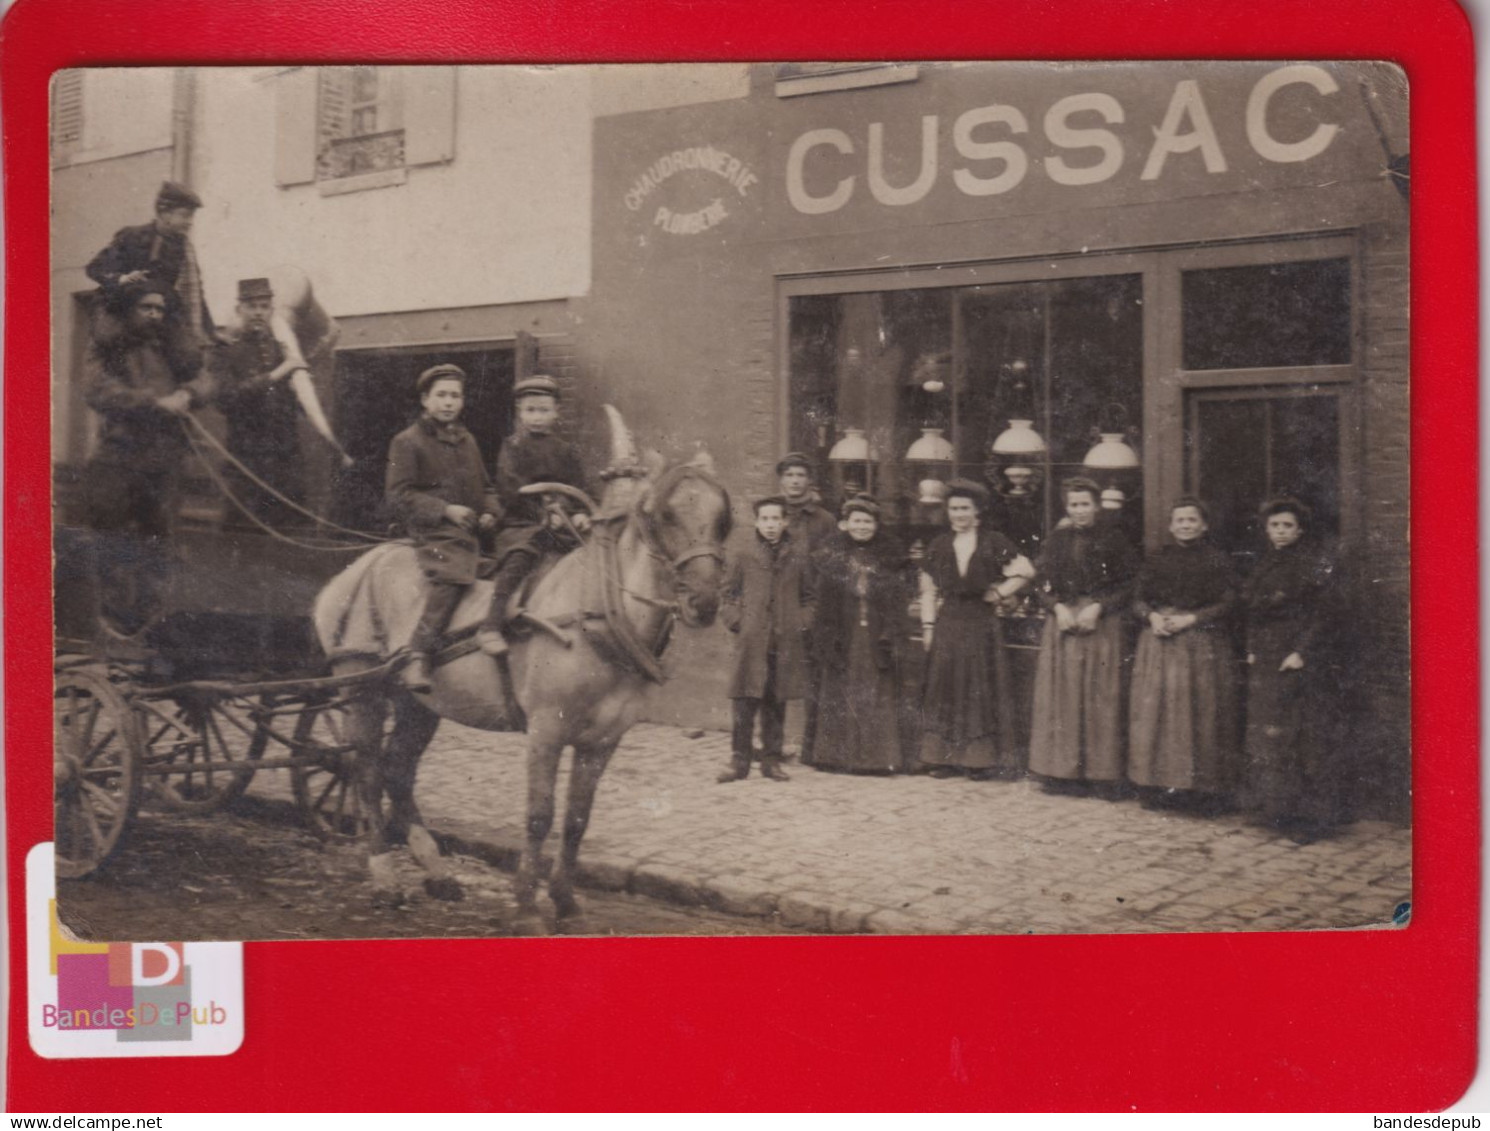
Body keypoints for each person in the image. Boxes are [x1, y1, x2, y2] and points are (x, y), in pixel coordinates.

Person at [82, 282, 214, 638]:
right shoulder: (108, 347)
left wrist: (188, 392)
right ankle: (113, 625)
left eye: (159, 308)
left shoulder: (171, 347)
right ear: (129, 311)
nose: (155, 314)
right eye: (146, 307)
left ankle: (150, 625)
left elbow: (204, 378)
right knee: (114, 541)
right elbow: (96, 389)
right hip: (119, 458)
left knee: (160, 542)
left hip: (164, 460)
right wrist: (154, 403)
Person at [385, 364, 502, 693]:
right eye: (441, 395)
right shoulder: (407, 442)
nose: (448, 402)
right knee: (452, 575)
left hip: (471, 533)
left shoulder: (468, 441)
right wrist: (445, 510)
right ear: (425, 400)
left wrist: (490, 512)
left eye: (455, 395)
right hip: (433, 533)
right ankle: (418, 653)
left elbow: (487, 487)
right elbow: (397, 495)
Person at [1240, 498, 1346, 843]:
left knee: (1304, 736)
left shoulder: (1314, 563)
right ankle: (1275, 810)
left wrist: (1302, 652)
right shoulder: (1265, 563)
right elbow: (1254, 611)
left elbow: (1325, 614)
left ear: (1300, 530)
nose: (1281, 532)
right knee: (1271, 735)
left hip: (1298, 656)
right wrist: (1253, 648)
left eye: (1287, 526)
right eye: (1275, 526)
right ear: (1266, 529)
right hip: (1269, 655)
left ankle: (1310, 819)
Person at [1027, 477, 1140, 796]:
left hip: (1101, 626)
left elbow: (1131, 584)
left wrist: (1099, 607)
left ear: (1096, 506)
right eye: (1073, 505)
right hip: (1064, 624)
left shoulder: (1115, 540)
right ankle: (1063, 773)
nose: (1079, 511)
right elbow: (1041, 583)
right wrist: (1057, 607)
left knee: (1101, 698)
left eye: (1085, 504)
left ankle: (1101, 775)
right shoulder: (1056, 541)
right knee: (1063, 698)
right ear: (1067, 507)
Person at [916, 479, 1034, 780]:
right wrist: (928, 626)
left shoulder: (993, 541)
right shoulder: (940, 545)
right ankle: (942, 759)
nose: (958, 514)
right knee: (945, 687)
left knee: (978, 687)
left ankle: (978, 760)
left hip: (980, 621)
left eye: (964, 508)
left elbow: (1025, 571)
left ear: (977, 511)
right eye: (953, 508)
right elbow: (928, 588)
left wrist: (999, 593)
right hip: (949, 620)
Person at [1127, 497, 1239, 808]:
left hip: (1200, 643)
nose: (1185, 526)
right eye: (1180, 520)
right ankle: (1159, 785)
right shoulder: (1156, 558)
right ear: (1170, 525)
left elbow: (1228, 601)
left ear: (1203, 525)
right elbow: (1137, 598)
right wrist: (1152, 617)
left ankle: (1200, 789)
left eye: (1192, 520)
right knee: (1158, 714)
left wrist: (1192, 619)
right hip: (1159, 643)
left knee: (1199, 712)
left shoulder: (1217, 559)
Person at [478, 375, 593, 655]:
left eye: (543, 410)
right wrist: (543, 513)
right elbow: (510, 488)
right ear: (520, 412)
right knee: (522, 554)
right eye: (530, 410)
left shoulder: (565, 451)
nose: (537, 417)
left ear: (556, 412)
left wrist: (579, 512)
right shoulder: (513, 446)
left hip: (560, 522)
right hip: (522, 520)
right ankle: (491, 623)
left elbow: (580, 487)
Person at [805, 496, 909, 775]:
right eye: (856, 521)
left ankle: (876, 759)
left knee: (876, 691)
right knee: (840, 690)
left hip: (875, 634)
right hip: (844, 633)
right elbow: (823, 601)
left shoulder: (889, 557)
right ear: (846, 523)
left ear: (876, 525)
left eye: (868, 521)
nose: (862, 526)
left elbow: (898, 601)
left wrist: (891, 633)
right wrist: (827, 636)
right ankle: (836, 756)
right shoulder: (832, 555)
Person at [718, 497, 815, 783]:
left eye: (776, 519)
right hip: (751, 642)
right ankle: (739, 760)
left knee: (776, 702)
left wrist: (801, 622)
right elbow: (728, 595)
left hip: (783, 642)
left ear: (785, 521)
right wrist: (739, 623)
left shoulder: (797, 555)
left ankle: (771, 761)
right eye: (765, 519)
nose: (771, 525)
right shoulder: (744, 554)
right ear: (757, 522)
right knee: (744, 703)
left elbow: (810, 598)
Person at [211, 277, 308, 528]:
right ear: (239, 309)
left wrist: (296, 387)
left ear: (271, 311)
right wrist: (277, 374)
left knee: (288, 528)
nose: (258, 312)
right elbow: (225, 398)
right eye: (252, 306)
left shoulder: (282, 349)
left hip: (284, 461)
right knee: (244, 531)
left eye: (264, 306)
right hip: (246, 462)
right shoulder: (225, 351)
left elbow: (297, 407)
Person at [86, 181, 215, 351]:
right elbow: (95, 268)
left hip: (158, 322)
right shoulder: (132, 236)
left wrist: (210, 331)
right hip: (122, 319)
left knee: (188, 361)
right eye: (185, 215)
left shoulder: (184, 248)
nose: (190, 222)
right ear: (165, 214)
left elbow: (196, 294)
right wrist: (122, 278)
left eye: (191, 217)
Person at [775, 451, 837, 761]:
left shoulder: (824, 520)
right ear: (781, 480)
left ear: (809, 481)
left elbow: (833, 563)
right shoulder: (772, 513)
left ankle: (810, 746)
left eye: (800, 475)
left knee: (813, 673)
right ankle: (772, 742)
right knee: (773, 671)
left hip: (814, 605)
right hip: (778, 605)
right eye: (789, 475)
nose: (795, 481)